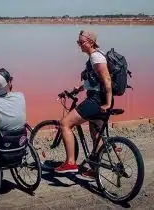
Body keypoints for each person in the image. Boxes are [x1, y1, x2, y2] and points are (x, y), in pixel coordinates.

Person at [54, 30, 114, 178]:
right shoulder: (95, 56)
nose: (79, 44)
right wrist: (79, 88)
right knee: (96, 135)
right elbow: (95, 81)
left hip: (97, 100)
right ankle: (95, 170)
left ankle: (70, 162)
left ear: (91, 42)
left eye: (82, 42)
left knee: (65, 124)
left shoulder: (95, 57)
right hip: (99, 98)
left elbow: (106, 80)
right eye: (78, 42)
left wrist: (107, 103)